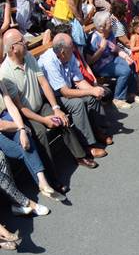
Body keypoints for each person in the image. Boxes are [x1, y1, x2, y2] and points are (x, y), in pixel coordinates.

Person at [0, 29, 97, 185]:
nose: (26, 42)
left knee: (61, 118)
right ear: (13, 48)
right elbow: (20, 108)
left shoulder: (28, 57)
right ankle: (52, 178)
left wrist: (56, 107)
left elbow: (44, 83)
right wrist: (44, 120)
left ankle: (80, 156)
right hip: (27, 114)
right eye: (22, 41)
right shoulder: (5, 72)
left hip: (40, 104)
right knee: (40, 134)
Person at [39, 32, 112, 151]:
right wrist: (91, 91)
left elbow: (78, 81)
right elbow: (65, 92)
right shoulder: (49, 62)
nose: (74, 48)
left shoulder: (69, 55)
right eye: (71, 46)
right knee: (77, 104)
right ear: (62, 52)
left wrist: (93, 90)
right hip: (52, 97)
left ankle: (98, 131)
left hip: (65, 91)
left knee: (91, 97)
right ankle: (88, 145)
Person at [0, 80, 56, 214]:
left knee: (25, 138)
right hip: (2, 125)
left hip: (7, 119)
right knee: (18, 151)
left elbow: (11, 107)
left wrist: (21, 130)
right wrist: (21, 126)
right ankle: (21, 203)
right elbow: (1, 125)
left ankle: (42, 182)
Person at [86, 11, 137, 110]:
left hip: (112, 59)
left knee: (131, 63)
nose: (112, 24)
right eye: (109, 22)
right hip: (100, 66)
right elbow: (90, 61)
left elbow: (116, 49)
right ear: (102, 27)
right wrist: (101, 49)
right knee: (125, 71)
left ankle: (130, 93)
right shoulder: (93, 38)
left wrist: (125, 56)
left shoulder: (110, 34)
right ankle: (118, 98)